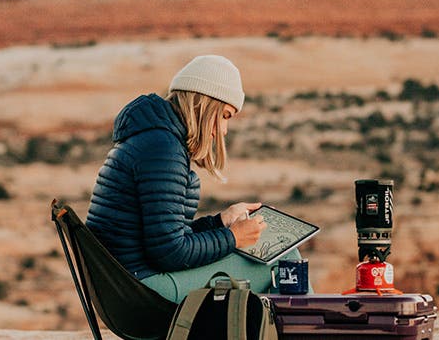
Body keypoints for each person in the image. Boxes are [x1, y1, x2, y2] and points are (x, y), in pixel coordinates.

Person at [85, 54, 309, 303]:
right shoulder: (162, 149)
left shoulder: (154, 140)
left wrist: (220, 222)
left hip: (127, 286)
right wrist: (233, 237)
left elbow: (166, 237)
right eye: (225, 116)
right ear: (206, 105)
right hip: (143, 293)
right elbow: (170, 252)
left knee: (281, 255)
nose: (223, 130)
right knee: (284, 259)